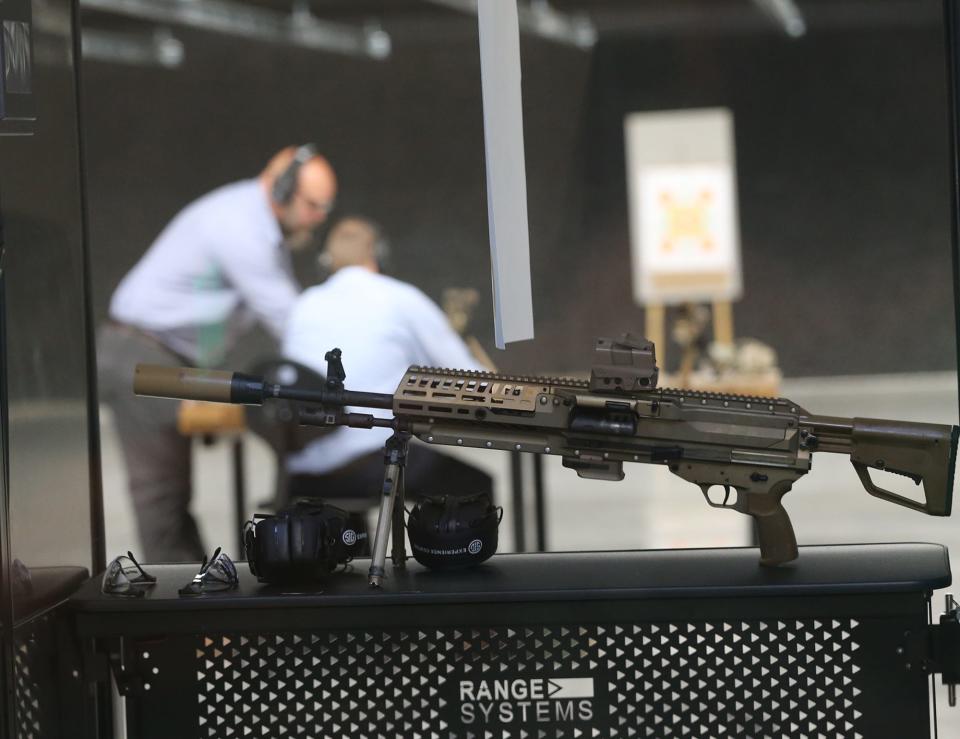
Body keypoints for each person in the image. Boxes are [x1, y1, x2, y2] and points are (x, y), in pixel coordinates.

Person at [98, 145, 337, 561]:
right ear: (282, 190)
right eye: (315, 206)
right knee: (162, 498)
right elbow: (290, 319)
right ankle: (177, 619)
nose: (320, 218)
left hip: (161, 354)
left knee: (171, 498)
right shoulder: (241, 227)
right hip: (143, 355)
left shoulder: (253, 222)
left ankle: (198, 608)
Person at [281, 215, 493, 503]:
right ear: (379, 255)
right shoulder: (400, 298)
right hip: (372, 462)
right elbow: (471, 379)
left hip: (302, 471)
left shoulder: (302, 305)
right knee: (475, 485)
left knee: (347, 524)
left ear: (326, 262)